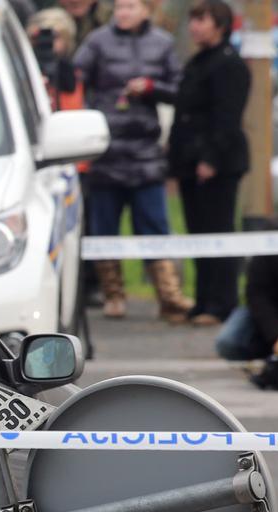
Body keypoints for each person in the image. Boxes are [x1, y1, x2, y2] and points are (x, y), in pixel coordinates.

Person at [75, 0, 190, 323]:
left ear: (146, 10)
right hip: (106, 150)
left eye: (130, 6)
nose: (123, 12)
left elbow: (180, 88)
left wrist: (152, 88)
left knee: (154, 226)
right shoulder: (97, 41)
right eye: (119, 7)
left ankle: (168, 296)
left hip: (145, 150)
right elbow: (75, 79)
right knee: (104, 229)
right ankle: (114, 296)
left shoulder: (163, 43)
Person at [167, 0, 249, 327]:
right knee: (198, 234)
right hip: (190, 163)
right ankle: (203, 300)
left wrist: (211, 159)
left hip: (217, 165)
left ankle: (221, 303)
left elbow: (227, 117)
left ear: (220, 25)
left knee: (218, 233)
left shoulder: (229, 64)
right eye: (194, 20)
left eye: (202, 20)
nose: (195, 27)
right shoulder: (199, 61)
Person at [215, 246, 278, 390]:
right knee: (228, 343)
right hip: (272, 311)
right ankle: (273, 361)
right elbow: (257, 294)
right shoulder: (272, 241)